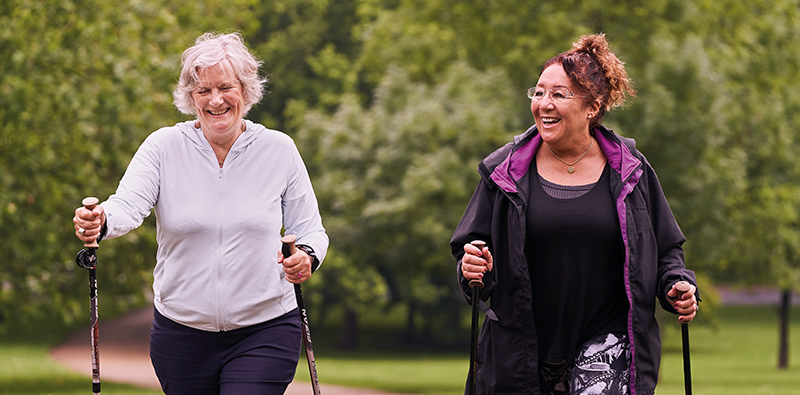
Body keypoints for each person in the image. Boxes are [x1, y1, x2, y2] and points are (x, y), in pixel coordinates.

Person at [72, 32, 328, 395]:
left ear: (246, 90)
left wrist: (307, 257)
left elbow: (311, 230)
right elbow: (126, 205)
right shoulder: (163, 147)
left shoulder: (278, 149)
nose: (216, 100)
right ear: (190, 97)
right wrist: (100, 221)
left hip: (265, 327)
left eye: (226, 87)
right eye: (203, 90)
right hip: (181, 333)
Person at [451, 33, 699, 395]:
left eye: (558, 94)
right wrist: (472, 267)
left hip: (608, 347)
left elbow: (666, 249)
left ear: (593, 106)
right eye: (538, 92)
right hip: (522, 349)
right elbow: (470, 252)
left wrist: (676, 283)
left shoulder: (631, 170)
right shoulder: (505, 172)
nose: (543, 104)